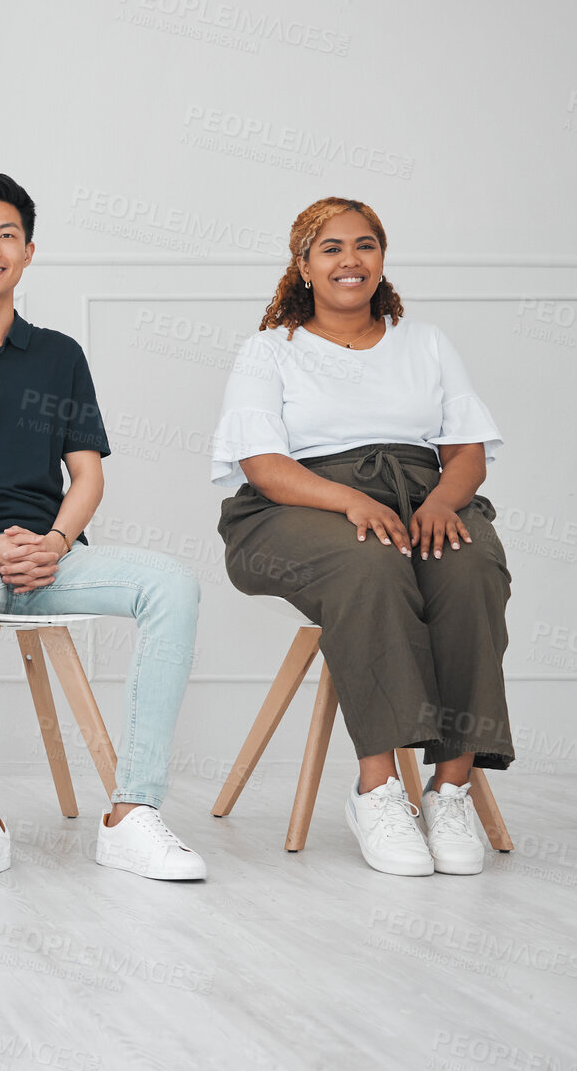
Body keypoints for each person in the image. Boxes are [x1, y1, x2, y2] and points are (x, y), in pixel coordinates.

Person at [0, 173, 207, 887]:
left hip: (52, 559)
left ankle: (132, 814)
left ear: (28, 252)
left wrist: (55, 543)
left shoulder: (60, 355)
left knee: (174, 584)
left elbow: (87, 477)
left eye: (6, 236)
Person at [212, 196, 509, 877]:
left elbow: (466, 451)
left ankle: (451, 788)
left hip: (419, 497)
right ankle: (377, 790)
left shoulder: (426, 342)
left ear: (382, 258)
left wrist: (439, 503)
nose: (351, 260)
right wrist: (348, 499)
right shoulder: (269, 350)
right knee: (368, 565)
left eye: (366, 245)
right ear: (304, 266)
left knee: (471, 565)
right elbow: (263, 465)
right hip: (292, 507)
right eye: (331, 248)